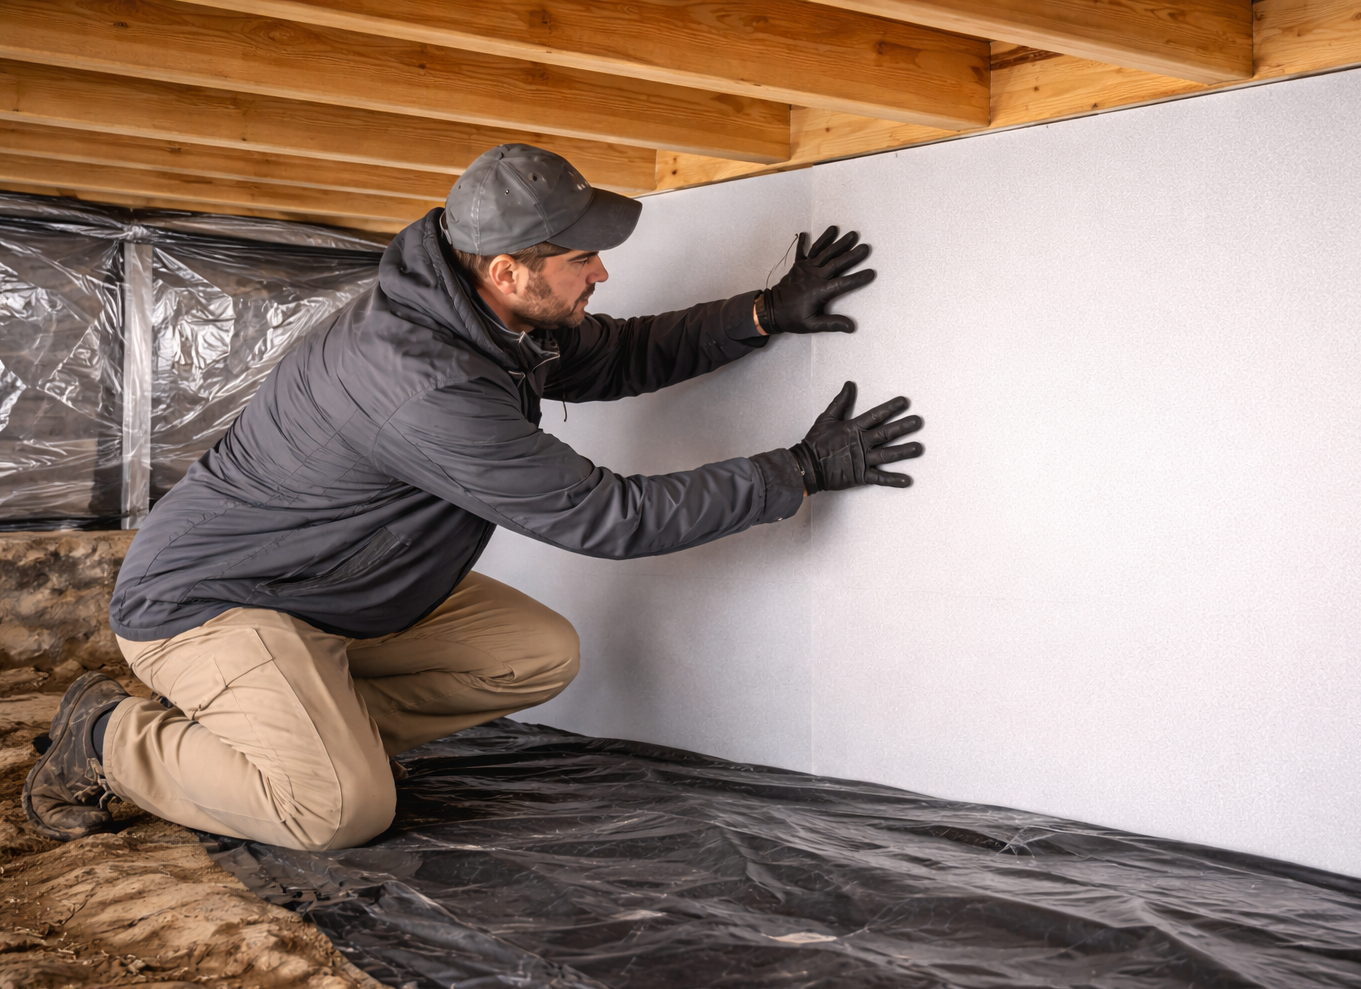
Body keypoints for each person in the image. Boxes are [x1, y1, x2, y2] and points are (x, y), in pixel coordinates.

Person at [23, 144, 924, 850]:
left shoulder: (479, 316)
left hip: (329, 593)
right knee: (337, 813)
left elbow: (612, 356)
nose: (600, 275)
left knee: (537, 654)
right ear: (506, 267)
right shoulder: (426, 383)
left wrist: (761, 313)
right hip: (211, 603)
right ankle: (107, 737)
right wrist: (796, 471)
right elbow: (605, 517)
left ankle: (291, 732)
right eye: (583, 260)